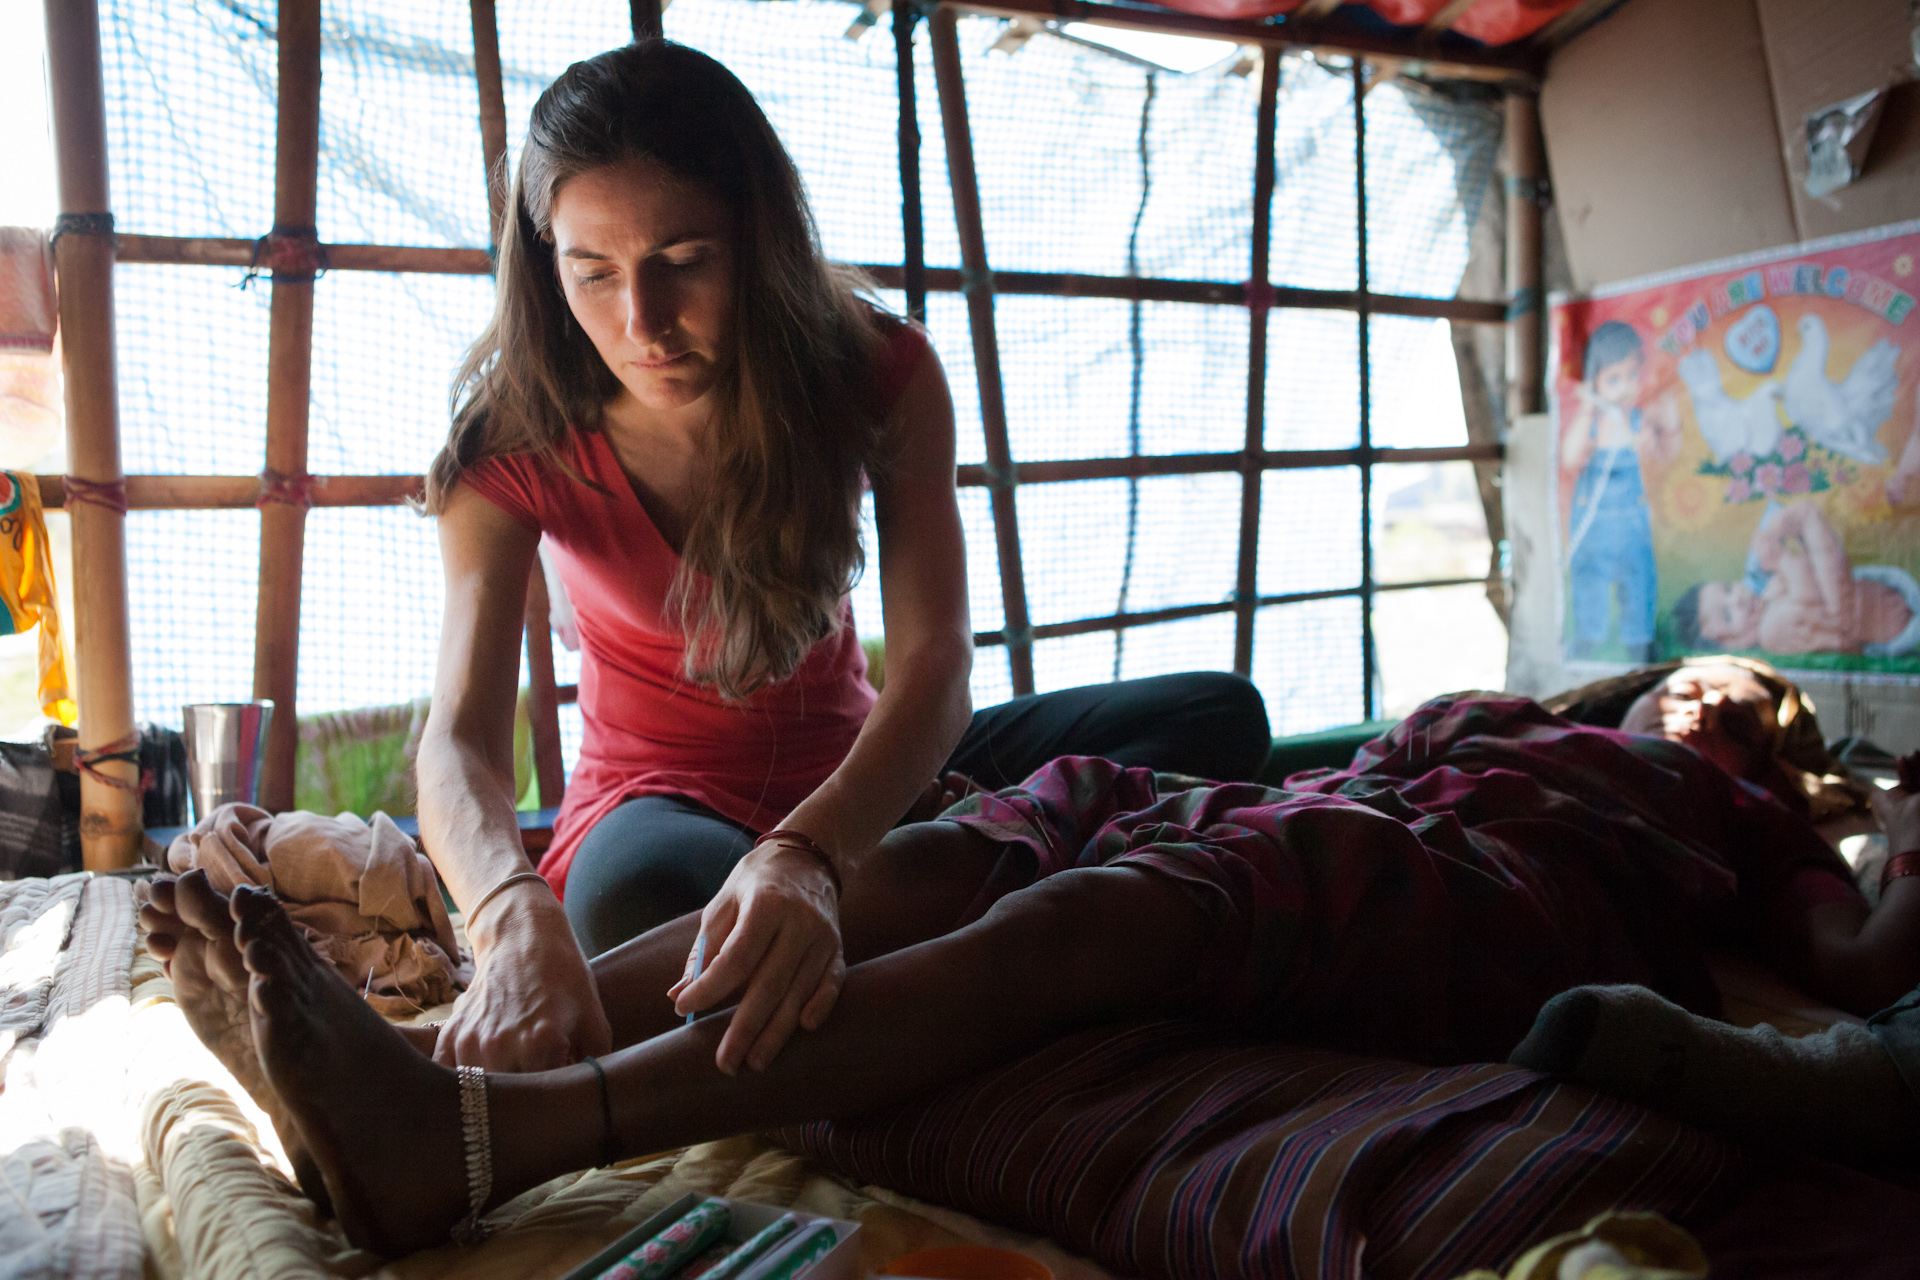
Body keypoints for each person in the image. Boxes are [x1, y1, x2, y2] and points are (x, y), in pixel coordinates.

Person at [141, 692, 1920, 1257]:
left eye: (1732, 707)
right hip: (1320, 795)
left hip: (1467, 890)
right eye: (1681, 686)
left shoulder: (1712, 814)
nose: (1691, 703)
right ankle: (448, 1050)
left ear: (1764, 758)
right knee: (942, 849)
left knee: (1097, 924)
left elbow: (1854, 958)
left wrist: (1889, 842)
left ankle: (487, 1139)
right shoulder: (1503, 712)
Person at [416, 42, 1270, 1075]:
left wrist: (811, 853)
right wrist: (509, 913)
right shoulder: (509, 445)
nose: (639, 322)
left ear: (759, 241)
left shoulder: (879, 373)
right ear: (545, 260)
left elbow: (935, 671)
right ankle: (931, 899)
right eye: (591, 271)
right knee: (642, 899)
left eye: (684, 260)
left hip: (871, 784)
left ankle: (841, 909)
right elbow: (458, 742)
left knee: (1216, 719)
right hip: (659, 804)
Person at [1559, 321, 1680, 663]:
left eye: (1631, 376)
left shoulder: (1639, 421)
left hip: (1632, 525)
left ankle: (1638, 643)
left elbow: (1662, 459)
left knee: (1639, 581)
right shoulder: (1594, 424)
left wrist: (1654, 439)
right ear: (1593, 383)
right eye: (1613, 380)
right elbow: (1570, 457)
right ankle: (1586, 642)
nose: (1625, 387)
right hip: (1594, 527)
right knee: (1589, 586)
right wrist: (1587, 407)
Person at [1671, 500, 1919, 658]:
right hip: (1870, 623)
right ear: (1733, 644)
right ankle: (1800, 518)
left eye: (1727, 589)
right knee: (1807, 516)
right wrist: (1780, 559)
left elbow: (1809, 576)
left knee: (1804, 516)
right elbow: (1810, 599)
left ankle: (1798, 519)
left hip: (1874, 600)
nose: (1736, 599)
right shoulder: (1771, 632)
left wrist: (1779, 543)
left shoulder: (1768, 599)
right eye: (1727, 615)